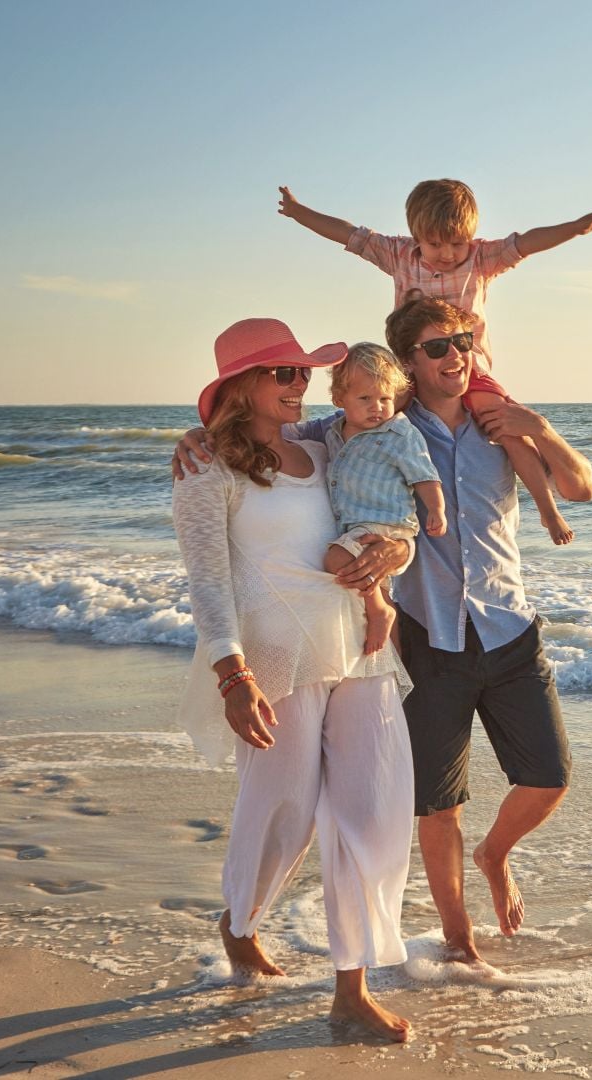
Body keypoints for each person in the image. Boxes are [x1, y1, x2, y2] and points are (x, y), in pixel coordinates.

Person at [173, 298, 592, 968]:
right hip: (377, 645)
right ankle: (437, 939)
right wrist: (199, 435)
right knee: (376, 805)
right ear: (406, 366)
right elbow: (262, 461)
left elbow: (577, 489)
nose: (454, 355)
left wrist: (538, 428)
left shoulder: (476, 427)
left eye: (463, 340)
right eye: (436, 347)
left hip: (445, 639)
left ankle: (441, 905)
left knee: (487, 791)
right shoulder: (349, 429)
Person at [171, 318, 419, 1041]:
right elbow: (208, 583)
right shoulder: (205, 471)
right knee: (284, 810)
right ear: (241, 386)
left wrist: (388, 566)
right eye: (281, 373)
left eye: (300, 374)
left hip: (360, 645)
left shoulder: (321, 445)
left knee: (371, 812)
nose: (297, 384)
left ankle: (351, 988)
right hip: (276, 656)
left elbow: (383, 511)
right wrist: (230, 673)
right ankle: (241, 919)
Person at [276, 179, 592, 547]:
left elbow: (527, 242)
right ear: (416, 236)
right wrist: (298, 212)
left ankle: (547, 511)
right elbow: (348, 234)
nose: (448, 254)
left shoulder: (482, 259)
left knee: (508, 429)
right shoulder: (399, 255)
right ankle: (363, 523)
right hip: (405, 372)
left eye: (457, 243)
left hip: (475, 373)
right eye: (435, 243)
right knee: (370, 423)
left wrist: (575, 229)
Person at [320, 342, 447, 655]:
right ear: (339, 398)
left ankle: (380, 612)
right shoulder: (332, 432)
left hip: (385, 526)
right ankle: (393, 671)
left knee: (336, 560)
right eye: (365, 399)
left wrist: (437, 509)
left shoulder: (400, 433)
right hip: (356, 527)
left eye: (385, 399)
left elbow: (424, 474)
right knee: (378, 588)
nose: (377, 407)